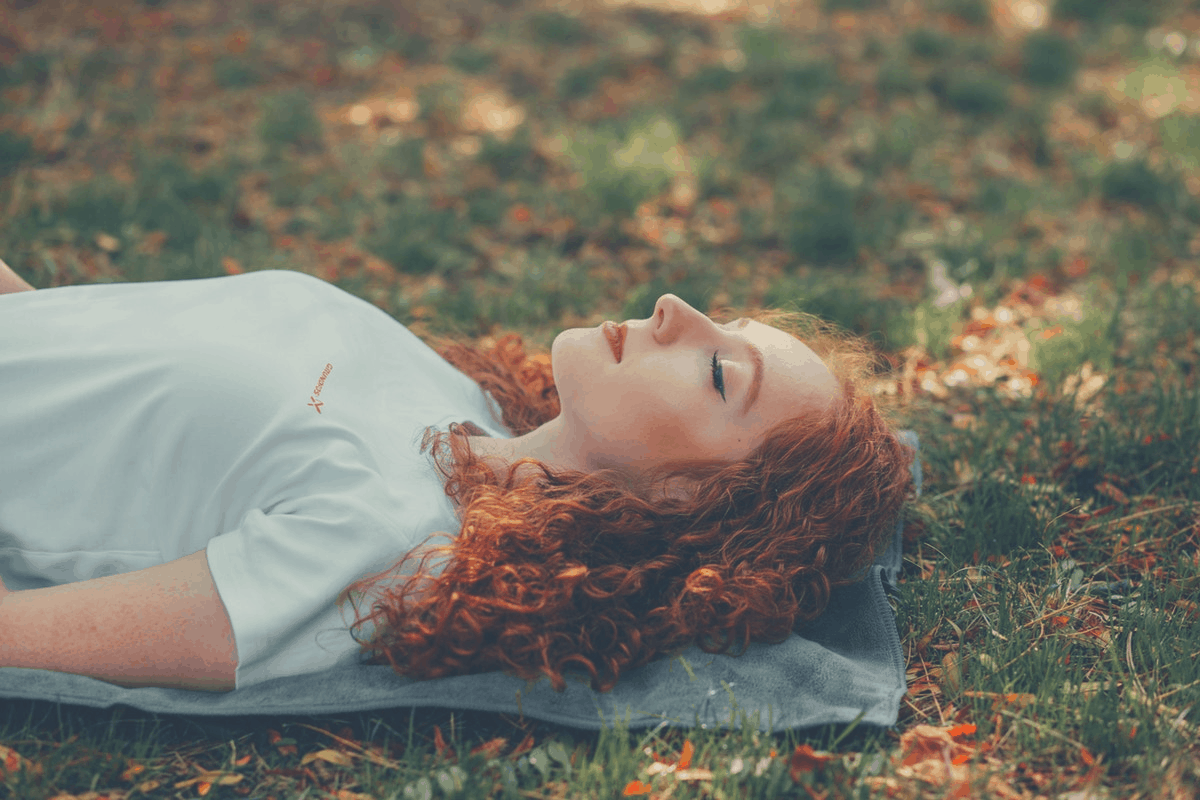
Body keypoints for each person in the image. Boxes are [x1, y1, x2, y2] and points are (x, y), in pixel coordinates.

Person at [0, 261, 914, 694]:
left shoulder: (395, 543)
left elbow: (165, 633)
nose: (679, 310)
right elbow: (83, 360)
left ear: (690, 499)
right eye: (729, 322)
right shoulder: (454, 397)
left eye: (720, 374)